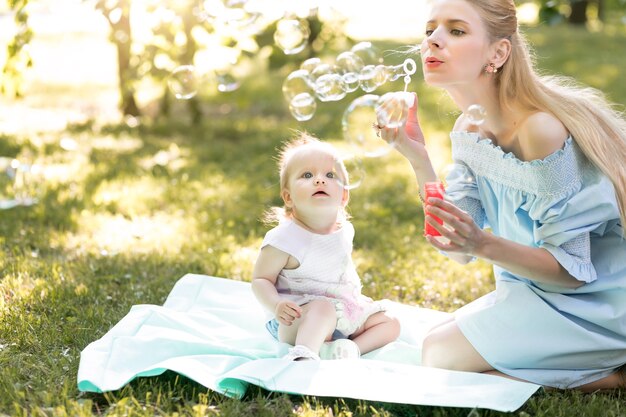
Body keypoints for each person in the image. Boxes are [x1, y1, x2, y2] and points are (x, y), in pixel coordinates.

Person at [375, 0, 626, 390]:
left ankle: (612, 377)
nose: (433, 41)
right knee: (437, 348)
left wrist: (484, 244)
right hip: (533, 292)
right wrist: (418, 157)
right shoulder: (470, 130)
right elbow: (456, 249)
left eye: (456, 31)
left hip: (598, 305)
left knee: (440, 354)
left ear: (498, 52)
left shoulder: (538, 130)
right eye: (430, 31)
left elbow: (572, 273)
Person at [251, 133, 401, 361]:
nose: (319, 180)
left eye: (330, 175)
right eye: (307, 175)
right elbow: (260, 280)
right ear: (288, 197)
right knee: (322, 310)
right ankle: (304, 355)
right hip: (296, 317)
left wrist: (354, 300)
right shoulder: (284, 239)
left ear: (344, 196)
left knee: (390, 321)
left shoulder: (345, 230)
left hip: (342, 312)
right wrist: (277, 304)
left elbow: (339, 272)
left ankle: (348, 349)